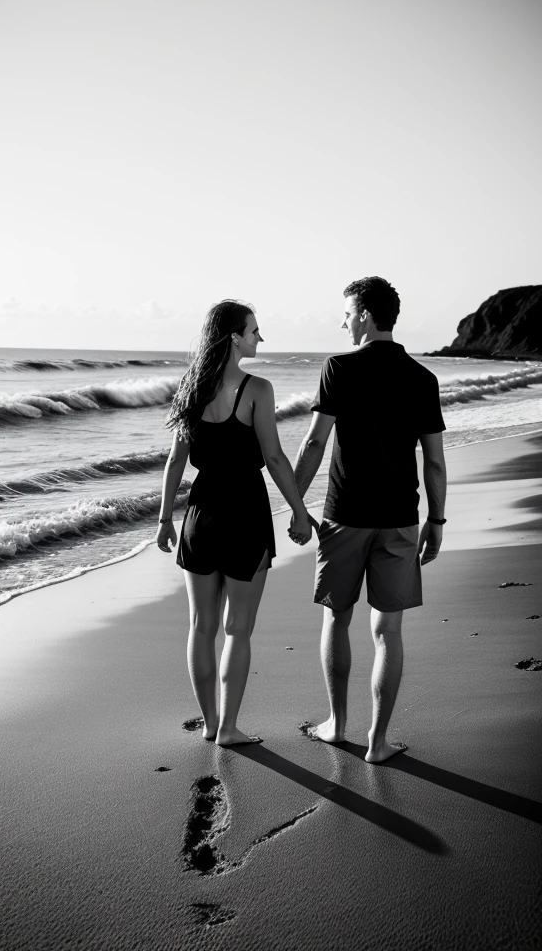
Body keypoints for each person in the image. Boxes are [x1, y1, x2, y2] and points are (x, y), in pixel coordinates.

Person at [292, 277, 447, 762]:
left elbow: (315, 443)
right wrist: (436, 520)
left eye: (345, 312)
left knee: (337, 619)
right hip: (400, 517)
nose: (342, 321)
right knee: (389, 631)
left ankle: (337, 725)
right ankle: (378, 743)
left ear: (363, 314)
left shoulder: (338, 368)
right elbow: (435, 461)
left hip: (345, 517)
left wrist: (296, 505)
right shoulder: (422, 378)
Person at [157, 299, 315, 747]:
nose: (260, 338)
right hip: (245, 513)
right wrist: (300, 513)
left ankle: (208, 723)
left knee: (201, 627)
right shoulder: (258, 389)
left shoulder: (190, 389)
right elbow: (275, 457)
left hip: (201, 514)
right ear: (234, 336)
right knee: (238, 629)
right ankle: (228, 729)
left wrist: (165, 520)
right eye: (254, 330)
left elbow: (174, 462)